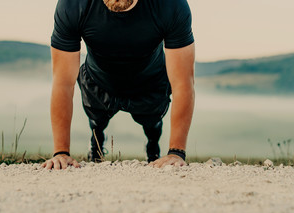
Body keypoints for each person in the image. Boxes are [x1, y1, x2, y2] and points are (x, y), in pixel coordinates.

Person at [42, 0, 195, 170]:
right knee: (97, 120)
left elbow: (183, 82)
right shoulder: (73, 5)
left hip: (149, 82)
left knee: (152, 123)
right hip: (98, 79)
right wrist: (61, 152)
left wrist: (176, 152)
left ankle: (153, 147)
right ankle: (97, 141)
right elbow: (63, 82)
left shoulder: (170, 5)